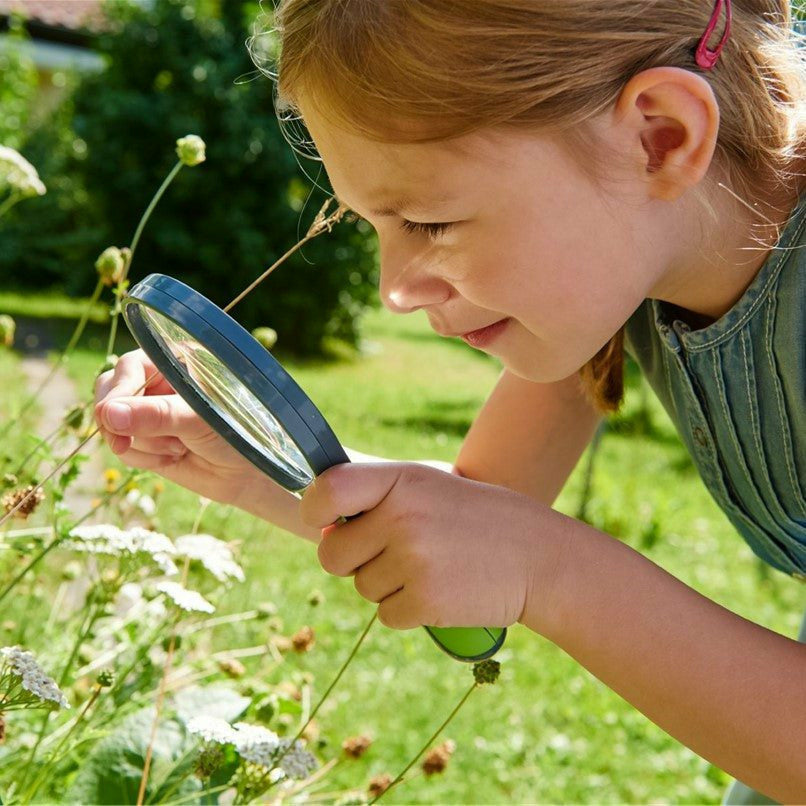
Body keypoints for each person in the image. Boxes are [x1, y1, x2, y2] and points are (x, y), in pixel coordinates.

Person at [94, 1, 805, 801]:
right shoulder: (626, 261)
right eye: (373, 224)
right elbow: (478, 515)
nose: (394, 290)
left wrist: (554, 570)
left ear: (661, 136)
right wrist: (258, 465)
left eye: (432, 221)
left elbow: (515, 544)